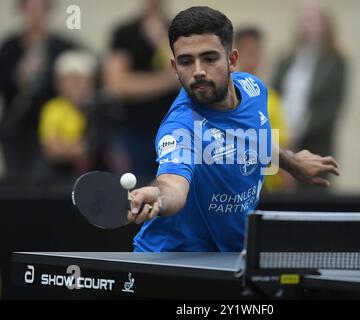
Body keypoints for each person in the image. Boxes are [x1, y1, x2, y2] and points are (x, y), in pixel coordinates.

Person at [128, 6, 340, 252]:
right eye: (186, 61)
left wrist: (291, 162)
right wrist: (159, 197)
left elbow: (250, 141)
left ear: (232, 60)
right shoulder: (180, 127)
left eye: (209, 58)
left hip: (231, 254)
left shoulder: (254, 89)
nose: (198, 71)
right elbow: (174, 183)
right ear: (175, 68)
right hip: (171, 259)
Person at [0, 0, 77, 184]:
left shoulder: (62, 46)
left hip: (51, 127)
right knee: (16, 183)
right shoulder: (10, 46)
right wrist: (19, 75)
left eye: (41, 7)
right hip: (16, 128)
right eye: (31, 8)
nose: (36, 14)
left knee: (45, 183)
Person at [104, 0, 180, 183]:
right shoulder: (125, 32)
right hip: (135, 131)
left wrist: (161, 42)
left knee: (173, 189)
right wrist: (169, 79)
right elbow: (116, 84)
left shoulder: (180, 30)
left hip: (176, 130)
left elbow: (189, 77)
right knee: (135, 192)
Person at [272, 6, 346, 191]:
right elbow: (274, 94)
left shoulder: (336, 61)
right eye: (306, 21)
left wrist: (300, 129)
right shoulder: (287, 57)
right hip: (284, 137)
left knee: (313, 194)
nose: (310, 26)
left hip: (315, 141)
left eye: (315, 21)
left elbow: (331, 107)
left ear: (326, 26)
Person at [234, 27, 291, 191]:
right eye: (249, 52)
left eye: (258, 52)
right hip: (238, 183)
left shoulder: (271, 98)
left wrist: (287, 173)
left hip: (269, 186)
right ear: (235, 56)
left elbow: (283, 142)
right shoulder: (227, 97)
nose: (254, 58)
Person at [38, 50, 97, 184]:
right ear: (58, 83)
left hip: (94, 178)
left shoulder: (99, 109)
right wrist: (82, 148)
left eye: (80, 78)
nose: (75, 84)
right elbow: (52, 150)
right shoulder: (53, 109)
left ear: (91, 83)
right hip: (59, 178)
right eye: (69, 79)